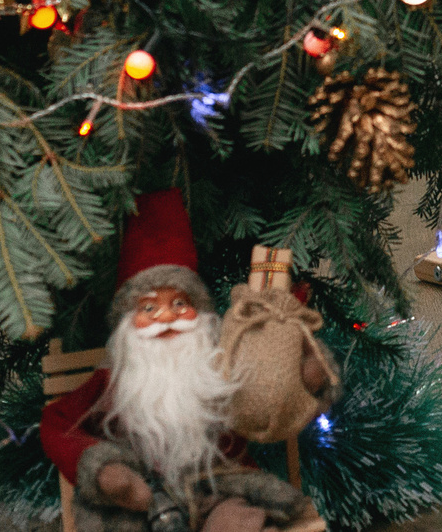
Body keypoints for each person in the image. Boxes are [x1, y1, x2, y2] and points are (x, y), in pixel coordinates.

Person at [41, 190, 307, 532]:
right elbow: (56, 424)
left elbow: (265, 381)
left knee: (238, 520)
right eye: (149, 308)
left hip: (219, 489)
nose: (166, 317)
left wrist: (283, 333)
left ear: (200, 314)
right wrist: (105, 470)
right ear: (127, 324)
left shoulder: (216, 371)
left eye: (180, 303)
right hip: (142, 505)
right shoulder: (111, 387)